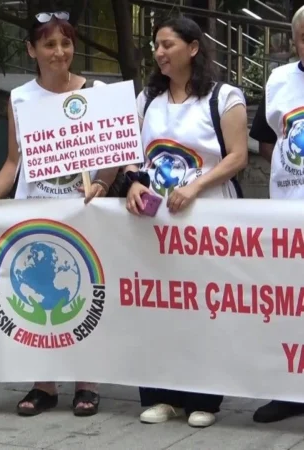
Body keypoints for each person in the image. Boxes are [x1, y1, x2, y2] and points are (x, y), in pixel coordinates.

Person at [0, 11, 119, 418]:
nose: (59, 52)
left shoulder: (96, 93)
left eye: (65, 43)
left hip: (83, 217)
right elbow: (13, 164)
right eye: (49, 44)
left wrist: (101, 185)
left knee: (85, 295)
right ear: (32, 50)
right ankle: (44, 384)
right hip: (36, 218)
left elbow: (114, 155)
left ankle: (87, 383)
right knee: (41, 295)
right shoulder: (20, 98)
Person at [122, 17, 248, 428]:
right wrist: (133, 184)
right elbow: (131, 154)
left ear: (193, 48)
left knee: (205, 306)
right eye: (156, 45)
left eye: (167, 44)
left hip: (208, 223)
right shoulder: (147, 99)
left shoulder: (223, 97)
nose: (158, 52)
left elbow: (237, 156)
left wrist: (195, 187)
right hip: (155, 226)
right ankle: (161, 395)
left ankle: (205, 399)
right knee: (157, 306)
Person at [246, 4, 304, 424]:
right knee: (287, 304)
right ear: (296, 40)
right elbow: (265, 140)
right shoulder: (280, 80)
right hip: (287, 214)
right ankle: (288, 392)